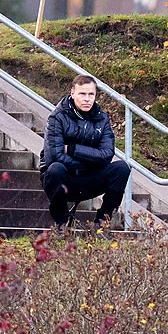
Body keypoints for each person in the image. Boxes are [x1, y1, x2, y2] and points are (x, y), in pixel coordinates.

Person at [42, 74, 130, 231]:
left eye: (91, 94)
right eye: (82, 94)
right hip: (64, 177)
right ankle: (62, 223)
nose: (87, 99)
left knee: (122, 168)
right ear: (72, 93)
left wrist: (72, 149)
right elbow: (54, 157)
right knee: (55, 169)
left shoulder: (102, 119)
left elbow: (107, 154)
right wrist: (90, 161)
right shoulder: (57, 118)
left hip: (91, 177)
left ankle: (102, 222)